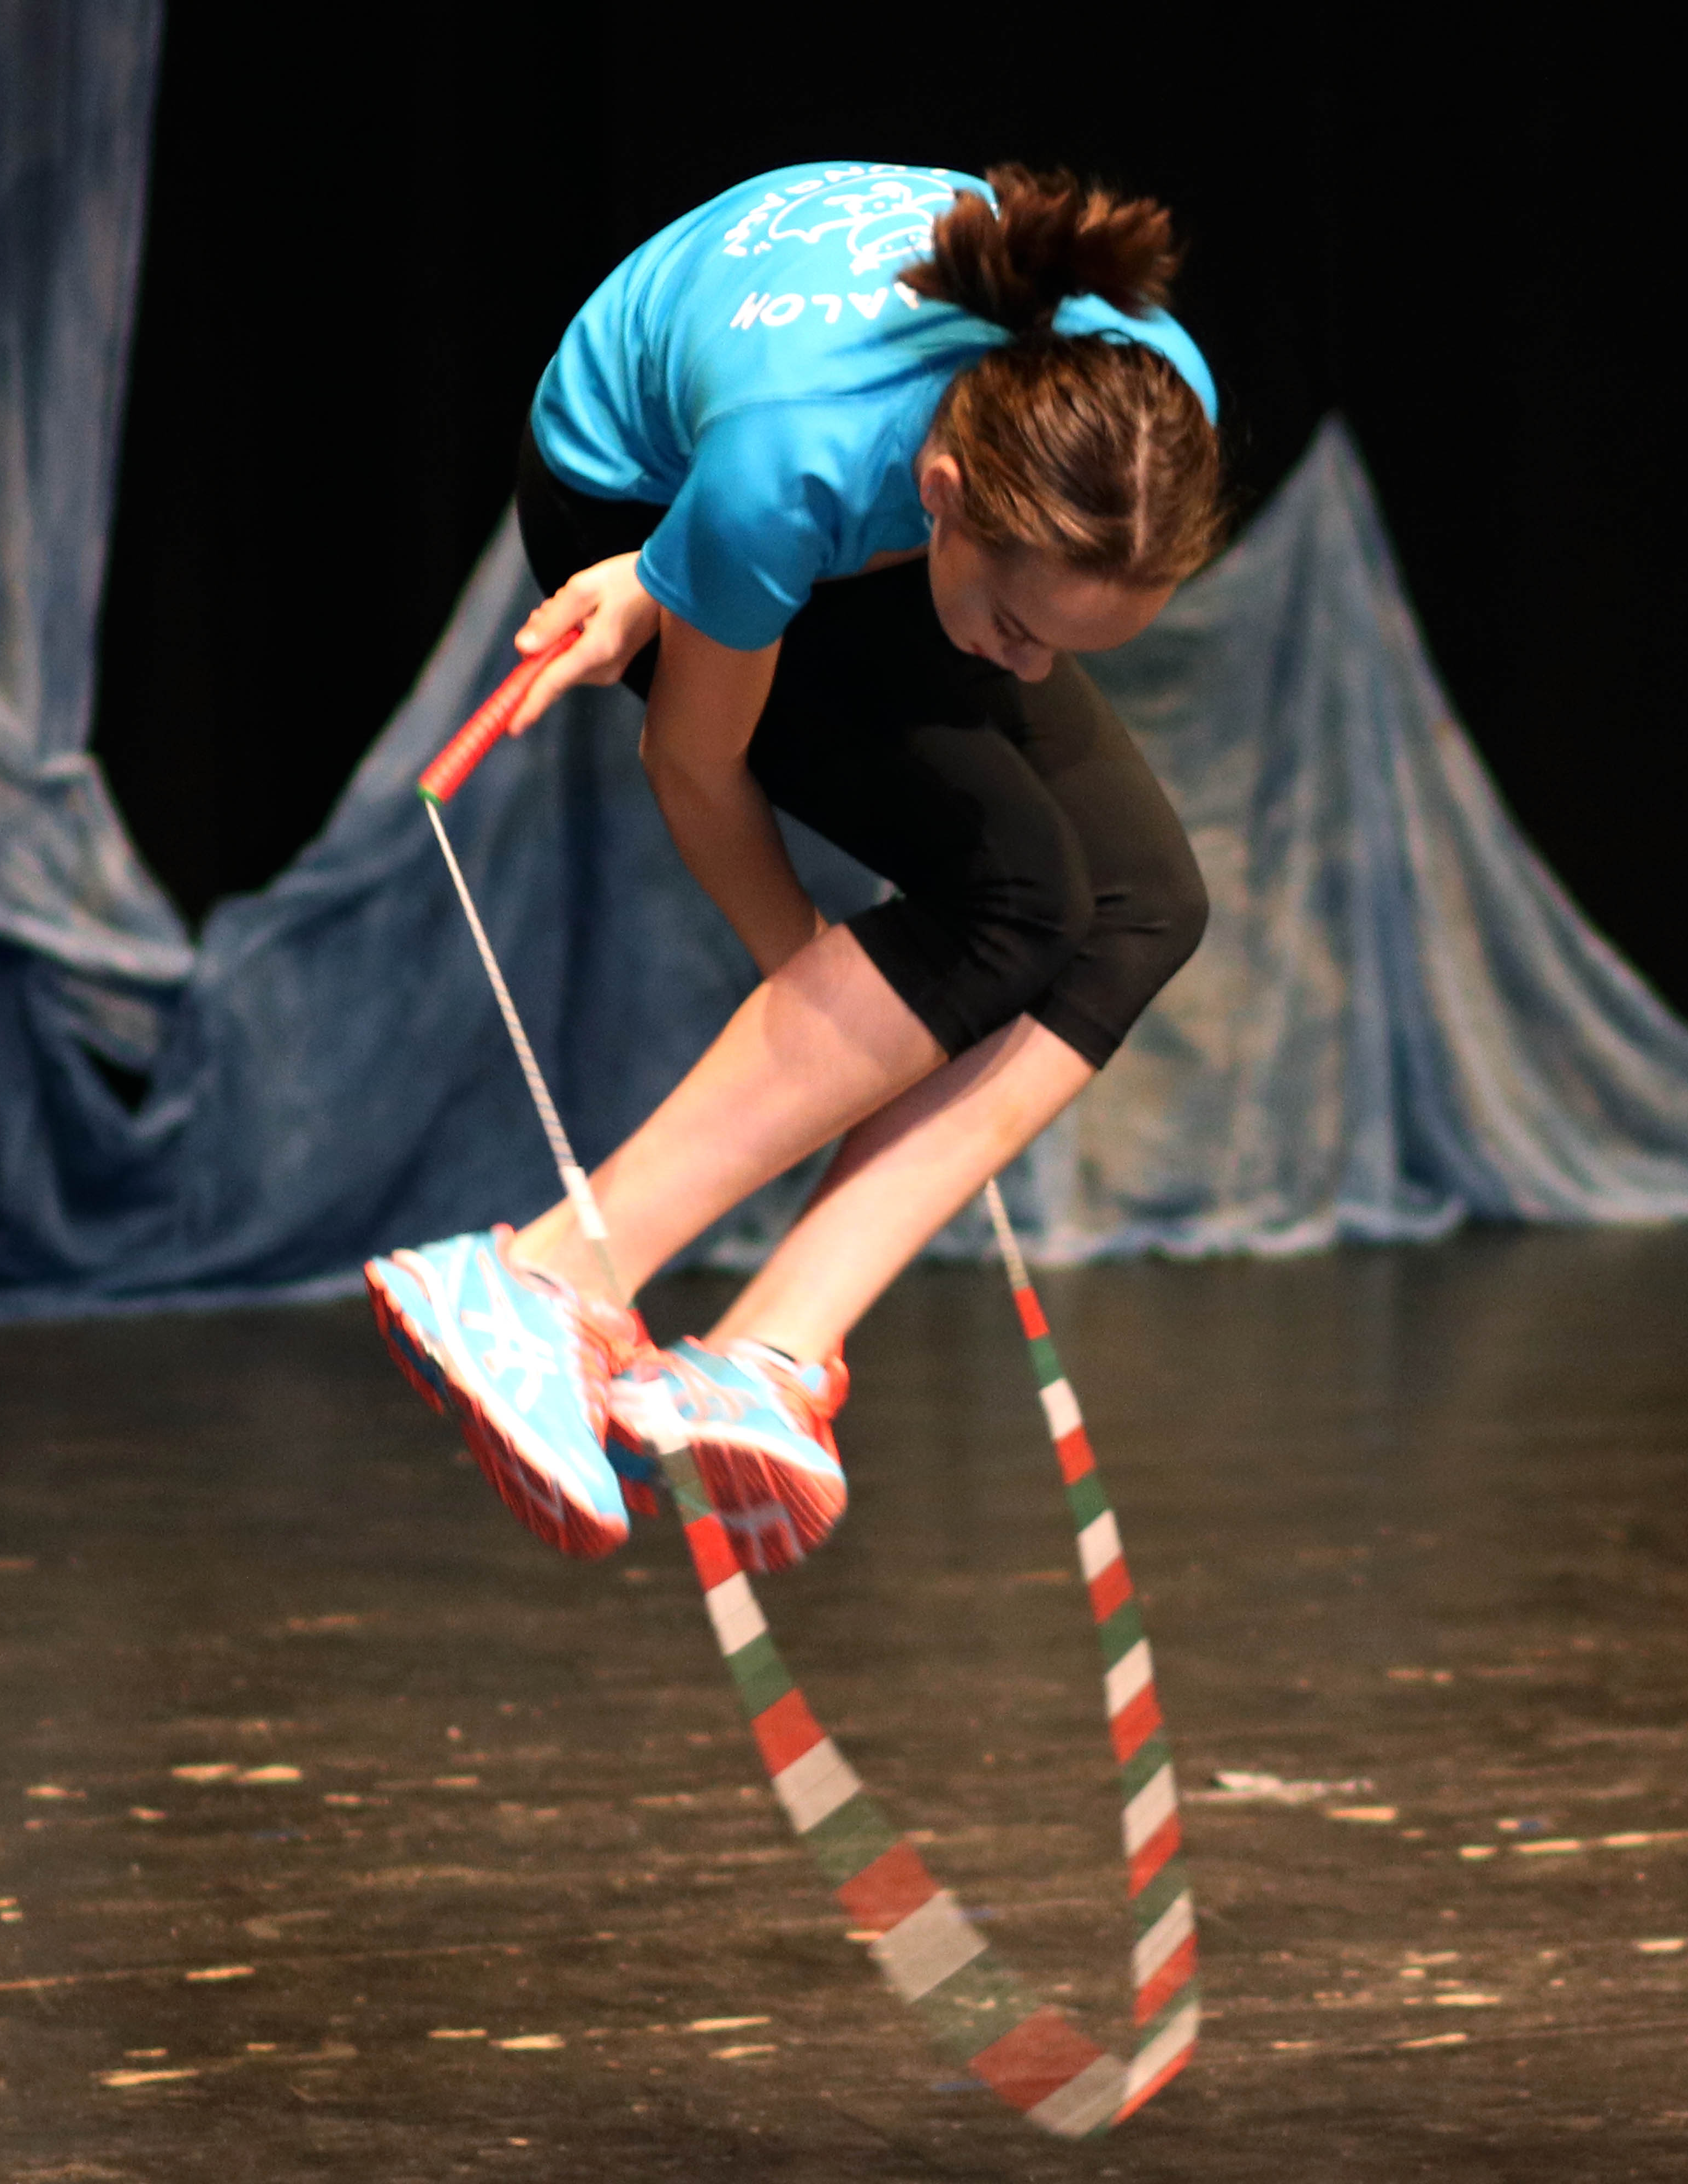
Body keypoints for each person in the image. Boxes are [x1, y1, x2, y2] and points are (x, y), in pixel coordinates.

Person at [364, 161, 1219, 1574]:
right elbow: (693, 770)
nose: (1034, 673)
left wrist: (882, 1027)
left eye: (1071, 644)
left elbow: (974, 567)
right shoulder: (789, 472)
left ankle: (763, 1356)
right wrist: (830, 1003)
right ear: (942, 499)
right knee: (1013, 901)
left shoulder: (1142, 411)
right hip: (635, 486)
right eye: (1019, 630)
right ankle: (536, 1280)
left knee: (1144, 907)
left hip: (804, 470)